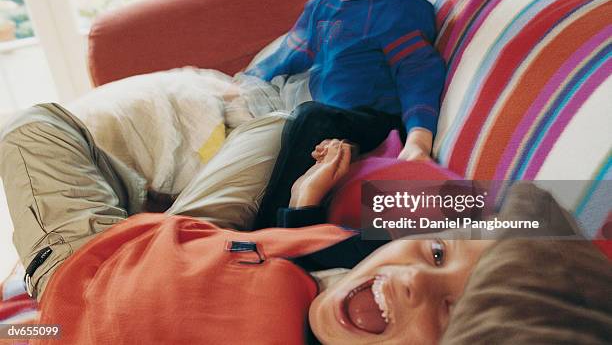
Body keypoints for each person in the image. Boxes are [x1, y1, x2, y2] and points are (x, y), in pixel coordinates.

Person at [0, 103, 491, 345]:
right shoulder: (369, 262)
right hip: (208, 239)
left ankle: (129, 201)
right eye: (437, 255)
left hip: (87, 261)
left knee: (33, 127)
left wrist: (29, 333)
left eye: (451, 309)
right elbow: (522, 210)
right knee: (279, 121)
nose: (415, 283)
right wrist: (306, 202)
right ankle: (142, 201)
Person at [246, 0, 447, 227]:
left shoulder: (402, 7)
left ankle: (266, 231)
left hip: (375, 120)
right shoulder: (322, 4)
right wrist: (252, 78)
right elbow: (292, 52)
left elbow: (417, 72)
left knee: (310, 116)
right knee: (288, 114)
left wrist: (419, 140)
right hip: (332, 117)